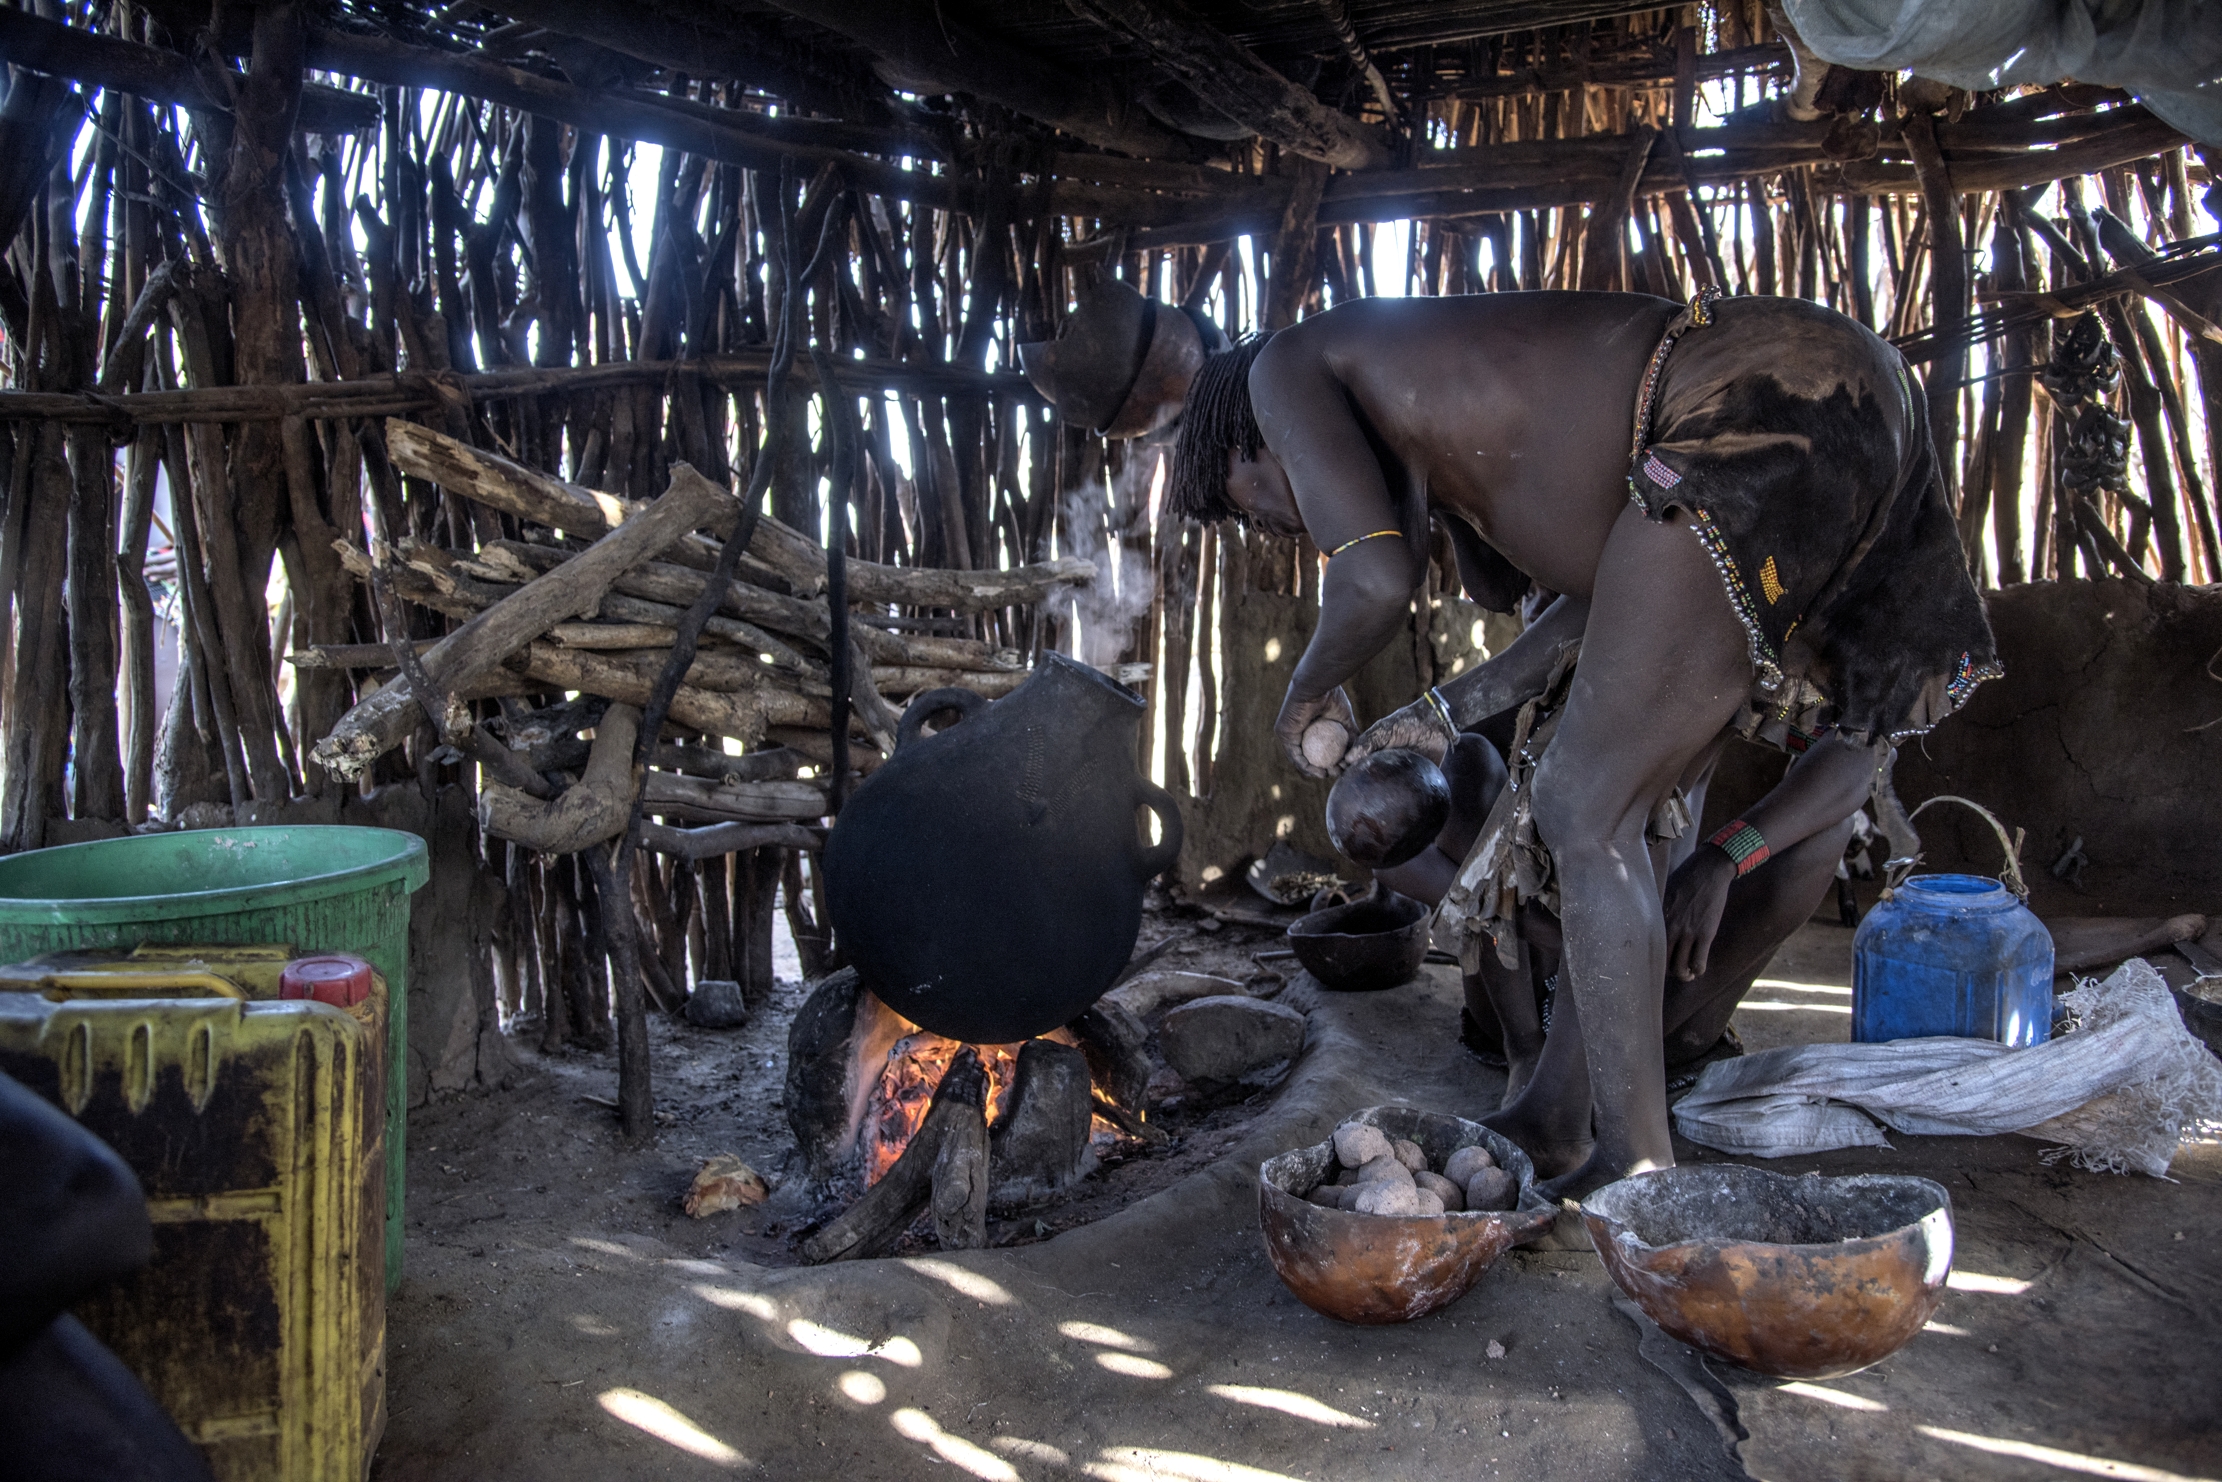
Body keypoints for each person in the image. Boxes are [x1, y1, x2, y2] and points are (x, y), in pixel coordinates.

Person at [1168, 289, 1998, 1197]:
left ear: (1246, 441)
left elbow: (1372, 574)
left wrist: (1307, 689)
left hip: (1751, 399)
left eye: (1242, 504)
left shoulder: (1280, 369)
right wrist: (1441, 714)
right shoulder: (1463, 424)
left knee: (1582, 809)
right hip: (1808, 391)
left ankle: (1635, 1159)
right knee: (1624, 813)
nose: (1270, 527)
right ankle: (1559, 1115)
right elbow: (1612, 598)